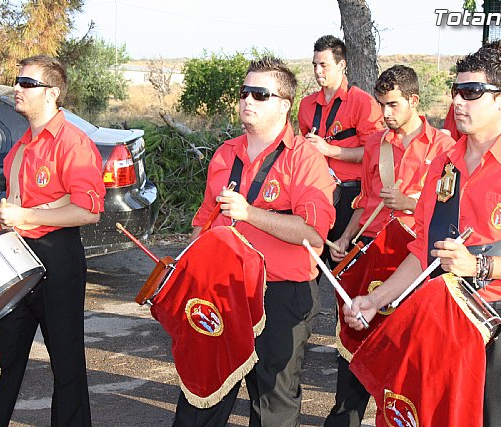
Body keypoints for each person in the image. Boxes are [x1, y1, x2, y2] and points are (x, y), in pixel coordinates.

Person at [344, 47, 501, 426]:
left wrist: (479, 265)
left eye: (471, 92)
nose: (457, 101)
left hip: (498, 323)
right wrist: (376, 300)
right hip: (439, 317)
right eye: (456, 90)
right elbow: (423, 251)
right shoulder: (443, 164)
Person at [173, 56, 335, 427]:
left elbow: (313, 233)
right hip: (222, 292)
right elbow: (203, 221)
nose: (247, 100)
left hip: (280, 294)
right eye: (244, 92)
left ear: (284, 105)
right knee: (202, 396)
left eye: (260, 94)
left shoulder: (305, 159)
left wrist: (249, 213)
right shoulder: (224, 154)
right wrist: (186, 272)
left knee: (272, 406)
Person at [0, 55, 105, 426]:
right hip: (17, 260)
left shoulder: (73, 143)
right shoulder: (21, 147)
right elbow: (10, 215)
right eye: (17, 81)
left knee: (67, 367)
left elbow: (89, 212)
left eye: (27, 83)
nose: (16, 88)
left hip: (59, 260)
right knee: (0, 363)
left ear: (52, 93)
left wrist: (26, 217)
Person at [325, 65, 455, 426]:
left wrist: (410, 203)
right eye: (381, 104)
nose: (385, 113)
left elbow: (449, 211)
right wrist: (345, 238)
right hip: (372, 249)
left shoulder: (445, 148)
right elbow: (366, 200)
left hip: (415, 258)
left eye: (393, 104)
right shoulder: (375, 144)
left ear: (414, 101)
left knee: (407, 351)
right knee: (356, 341)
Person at [298, 35, 384, 271]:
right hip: (315, 194)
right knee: (308, 266)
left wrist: (329, 150)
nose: (318, 71)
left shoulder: (363, 103)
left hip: (350, 196)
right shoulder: (306, 105)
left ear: (341, 65)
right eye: (315, 65)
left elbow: (374, 154)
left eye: (323, 65)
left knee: (346, 270)